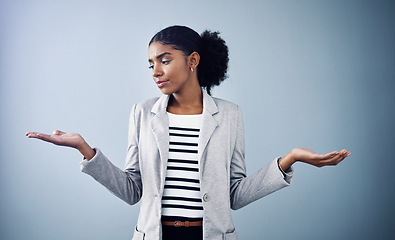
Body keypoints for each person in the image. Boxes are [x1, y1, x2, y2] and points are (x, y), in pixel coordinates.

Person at [26, 25, 350, 240]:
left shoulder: (230, 115)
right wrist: (85, 150)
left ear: (192, 60)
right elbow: (131, 190)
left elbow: (234, 195)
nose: (155, 71)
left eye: (164, 61)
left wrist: (289, 159)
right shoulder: (142, 113)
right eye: (150, 63)